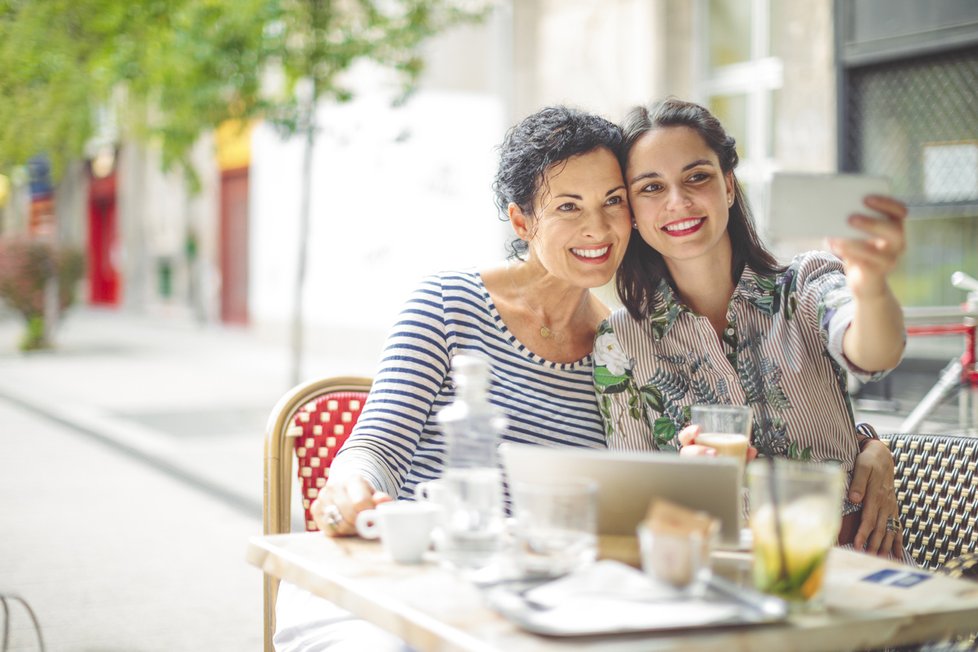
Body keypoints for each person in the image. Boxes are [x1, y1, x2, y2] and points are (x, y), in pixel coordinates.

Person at [274, 105, 633, 652]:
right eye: (569, 206)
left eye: (613, 201)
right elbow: (376, 446)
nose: (598, 227)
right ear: (522, 222)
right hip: (404, 584)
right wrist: (350, 489)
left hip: (529, 603)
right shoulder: (448, 303)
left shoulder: (620, 345)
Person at [592, 97, 906, 559]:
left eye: (697, 177)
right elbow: (634, 507)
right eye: (651, 187)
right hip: (721, 577)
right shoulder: (619, 342)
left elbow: (874, 353)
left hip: (851, 569)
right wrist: (687, 481)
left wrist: (872, 285)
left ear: (729, 187)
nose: (678, 201)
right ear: (633, 214)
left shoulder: (805, 283)